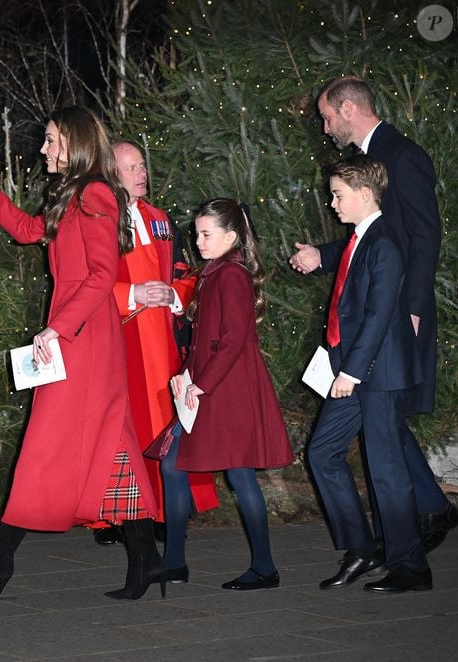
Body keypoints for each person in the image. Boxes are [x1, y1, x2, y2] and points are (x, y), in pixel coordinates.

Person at [0, 107, 165, 601]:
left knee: (46, 447)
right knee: (112, 449)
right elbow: (29, 231)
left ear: (72, 141)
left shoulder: (96, 193)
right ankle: (147, 559)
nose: (42, 150)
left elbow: (102, 275)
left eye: (49, 141)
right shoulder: (73, 194)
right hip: (80, 336)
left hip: (82, 338)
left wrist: (57, 329)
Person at [290, 76, 457, 553]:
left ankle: (415, 529)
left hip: (399, 315)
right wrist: (324, 254)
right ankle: (428, 508)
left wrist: (417, 310)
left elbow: (422, 238)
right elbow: (371, 238)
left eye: (326, 117)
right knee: (381, 419)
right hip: (380, 316)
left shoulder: (402, 155)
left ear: (347, 109)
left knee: (382, 419)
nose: (324, 129)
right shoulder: (374, 157)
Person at [307, 154, 432, 593]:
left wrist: (353, 372)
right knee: (322, 453)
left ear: (364, 194)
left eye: (338, 195)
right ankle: (362, 549)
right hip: (356, 371)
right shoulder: (362, 238)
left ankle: (411, 568)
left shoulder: (383, 243)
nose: (332, 203)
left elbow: (379, 315)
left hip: (375, 374)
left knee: (387, 472)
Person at [90, 142, 219, 547]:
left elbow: (186, 272)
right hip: (116, 341)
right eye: (131, 168)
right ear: (111, 173)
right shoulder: (97, 222)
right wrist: (133, 293)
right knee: (115, 428)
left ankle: (164, 511)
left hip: (161, 343)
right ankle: (114, 516)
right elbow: (84, 286)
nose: (141, 173)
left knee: (162, 427)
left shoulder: (161, 220)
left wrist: (174, 294)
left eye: (142, 165)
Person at [161, 198, 295, 589]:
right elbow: (206, 340)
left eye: (206, 234)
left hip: (227, 389)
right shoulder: (215, 272)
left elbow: (234, 340)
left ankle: (263, 568)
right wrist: (187, 378)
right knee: (178, 464)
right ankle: (175, 561)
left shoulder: (230, 275)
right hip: (212, 385)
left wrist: (200, 385)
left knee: (237, 474)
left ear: (231, 237)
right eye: (197, 233)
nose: (198, 241)